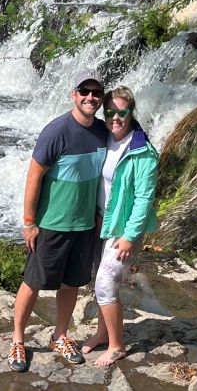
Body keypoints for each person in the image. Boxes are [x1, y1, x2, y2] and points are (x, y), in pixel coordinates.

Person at [8, 71, 108, 372]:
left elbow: (133, 135)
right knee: (34, 282)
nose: (90, 97)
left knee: (72, 283)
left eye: (96, 93)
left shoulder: (103, 131)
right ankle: (17, 340)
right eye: (84, 91)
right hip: (52, 223)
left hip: (85, 225)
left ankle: (60, 335)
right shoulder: (56, 131)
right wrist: (29, 222)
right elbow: (34, 176)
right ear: (73, 95)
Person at [81, 85, 158, 366]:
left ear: (131, 113)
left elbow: (144, 199)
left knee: (104, 282)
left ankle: (117, 345)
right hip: (102, 221)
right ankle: (102, 333)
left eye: (121, 112)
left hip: (125, 229)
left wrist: (129, 236)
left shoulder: (143, 152)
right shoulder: (106, 137)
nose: (115, 117)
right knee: (98, 280)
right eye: (110, 111)